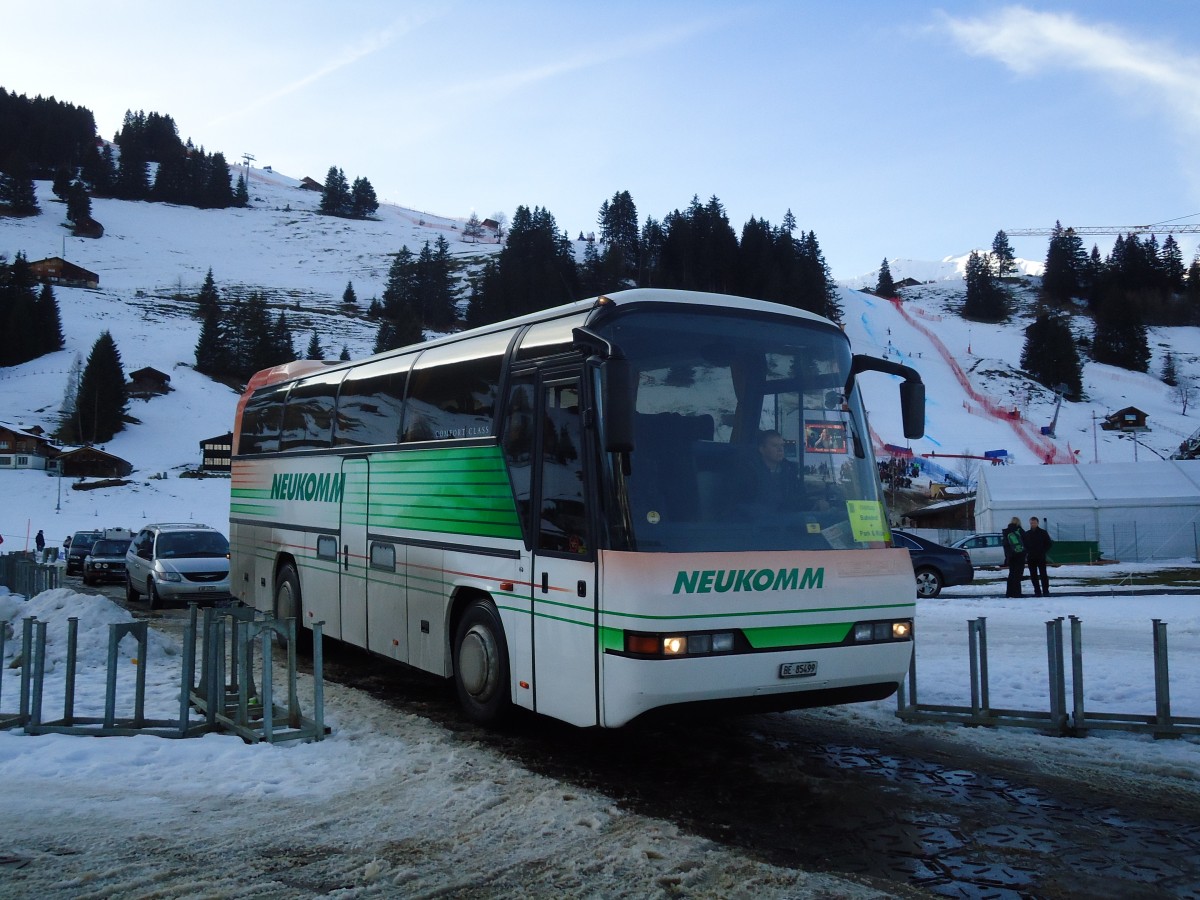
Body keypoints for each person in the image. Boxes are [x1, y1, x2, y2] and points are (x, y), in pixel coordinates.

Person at [1024, 516, 1053, 596]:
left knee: (1043, 574)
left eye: (1034, 523)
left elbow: (1049, 543)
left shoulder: (1043, 533)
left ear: (1037, 523)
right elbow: (1024, 545)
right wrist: (1028, 552)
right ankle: (1037, 591)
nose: (1033, 524)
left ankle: (1045, 590)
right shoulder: (1027, 534)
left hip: (1040, 557)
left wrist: (1042, 551)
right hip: (1031, 557)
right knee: (1033, 575)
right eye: (1031, 523)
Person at [1002, 516, 1026, 598]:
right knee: (1018, 575)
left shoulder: (1006, 532)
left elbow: (1005, 545)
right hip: (1020, 555)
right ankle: (1017, 593)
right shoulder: (1019, 530)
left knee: (1011, 574)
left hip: (1011, 556)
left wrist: (1008, 556)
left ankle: (1009, 593)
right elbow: (1026, 542)